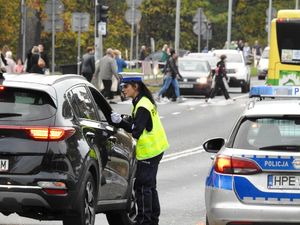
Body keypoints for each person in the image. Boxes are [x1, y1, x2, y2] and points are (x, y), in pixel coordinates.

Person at [110, 76, 169, 225]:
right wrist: (127, 119)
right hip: (156, 148)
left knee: (142, 186)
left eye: (126, 86)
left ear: (135, 86)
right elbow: (138, 121)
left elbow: (136, 131)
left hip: (149, 151)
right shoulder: (141, 101)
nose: (123, 89)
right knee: (150, 186)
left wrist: (121, 123)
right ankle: (153, 219)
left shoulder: (142, 105)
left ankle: (145, 221)